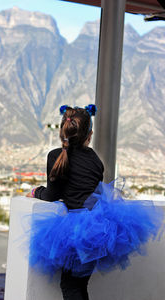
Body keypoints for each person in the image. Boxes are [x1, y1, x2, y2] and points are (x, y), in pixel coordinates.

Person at [26, 104, 164, 300]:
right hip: (97, 228)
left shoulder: (55, 156)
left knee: (71, 286)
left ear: (63, 131)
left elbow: (51, 196)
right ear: (89, 135)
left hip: (74, 230)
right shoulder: (95, 160)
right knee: (79, 284)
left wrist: (35, 191)